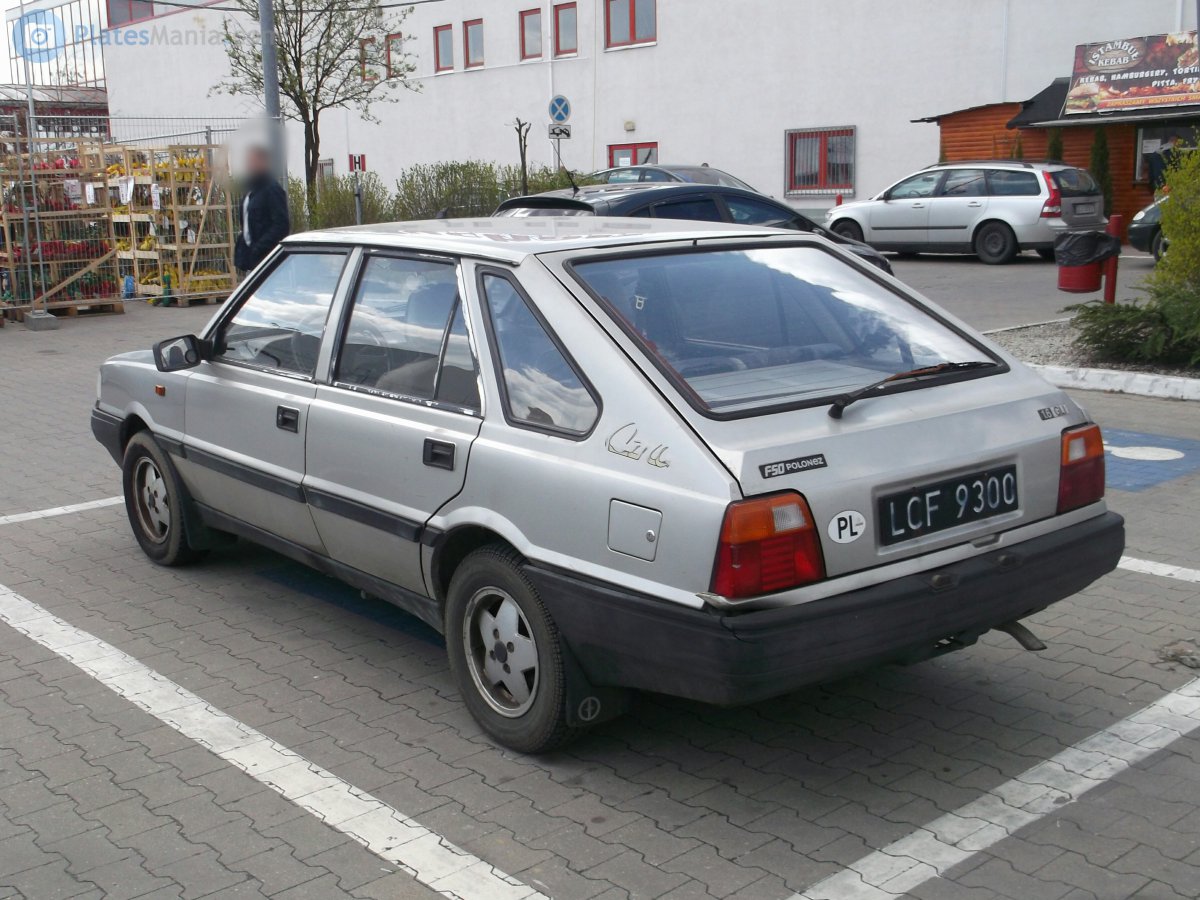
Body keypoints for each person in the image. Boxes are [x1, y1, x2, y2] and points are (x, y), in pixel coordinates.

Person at [235, 145, 289, 275]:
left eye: (253, 161)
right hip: (252, 261)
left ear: (264, 163)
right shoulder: (251, 189)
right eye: (248, 161)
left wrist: (259, 247)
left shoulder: (272, 190)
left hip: (267, 261)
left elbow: (281, 225)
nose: (249, 165)